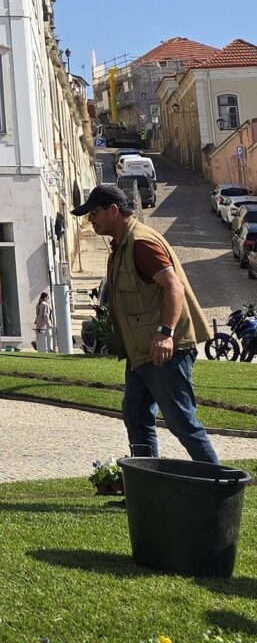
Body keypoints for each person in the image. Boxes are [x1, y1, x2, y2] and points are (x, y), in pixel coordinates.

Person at [77, 183, 219, 464]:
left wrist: (165, 333)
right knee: (136, 415)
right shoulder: (123, 244)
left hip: (166, 350)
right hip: (141, 352)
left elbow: (174, 287)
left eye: (94, 213)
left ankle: (220, 483)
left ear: (113, 210)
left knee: (182, 422)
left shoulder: (141, 243)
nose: (90, 220)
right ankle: (146, 481)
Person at [34, 289, 54, 354]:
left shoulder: (39, 304)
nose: (48, 299)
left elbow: (37, 314)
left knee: (40, 336)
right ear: (45, 298)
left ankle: (38, 345)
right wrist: (49, 324)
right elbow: (46, 315)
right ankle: (49, 348)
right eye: (48, 297)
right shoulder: (46, 305)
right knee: (47, 336)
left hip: (38, 322)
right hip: (44, 324)